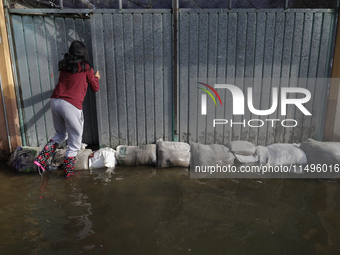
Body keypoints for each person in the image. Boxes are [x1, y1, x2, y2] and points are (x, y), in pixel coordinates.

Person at [34, 40, 100, 179]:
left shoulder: (65, 66)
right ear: (84, 53)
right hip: (71, 105)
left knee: (60, 134)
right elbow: (95, 88)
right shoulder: (86, 68)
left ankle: (40, 160)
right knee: (75, 142)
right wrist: (96, 77)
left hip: (55, 101)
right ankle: (68, 174)